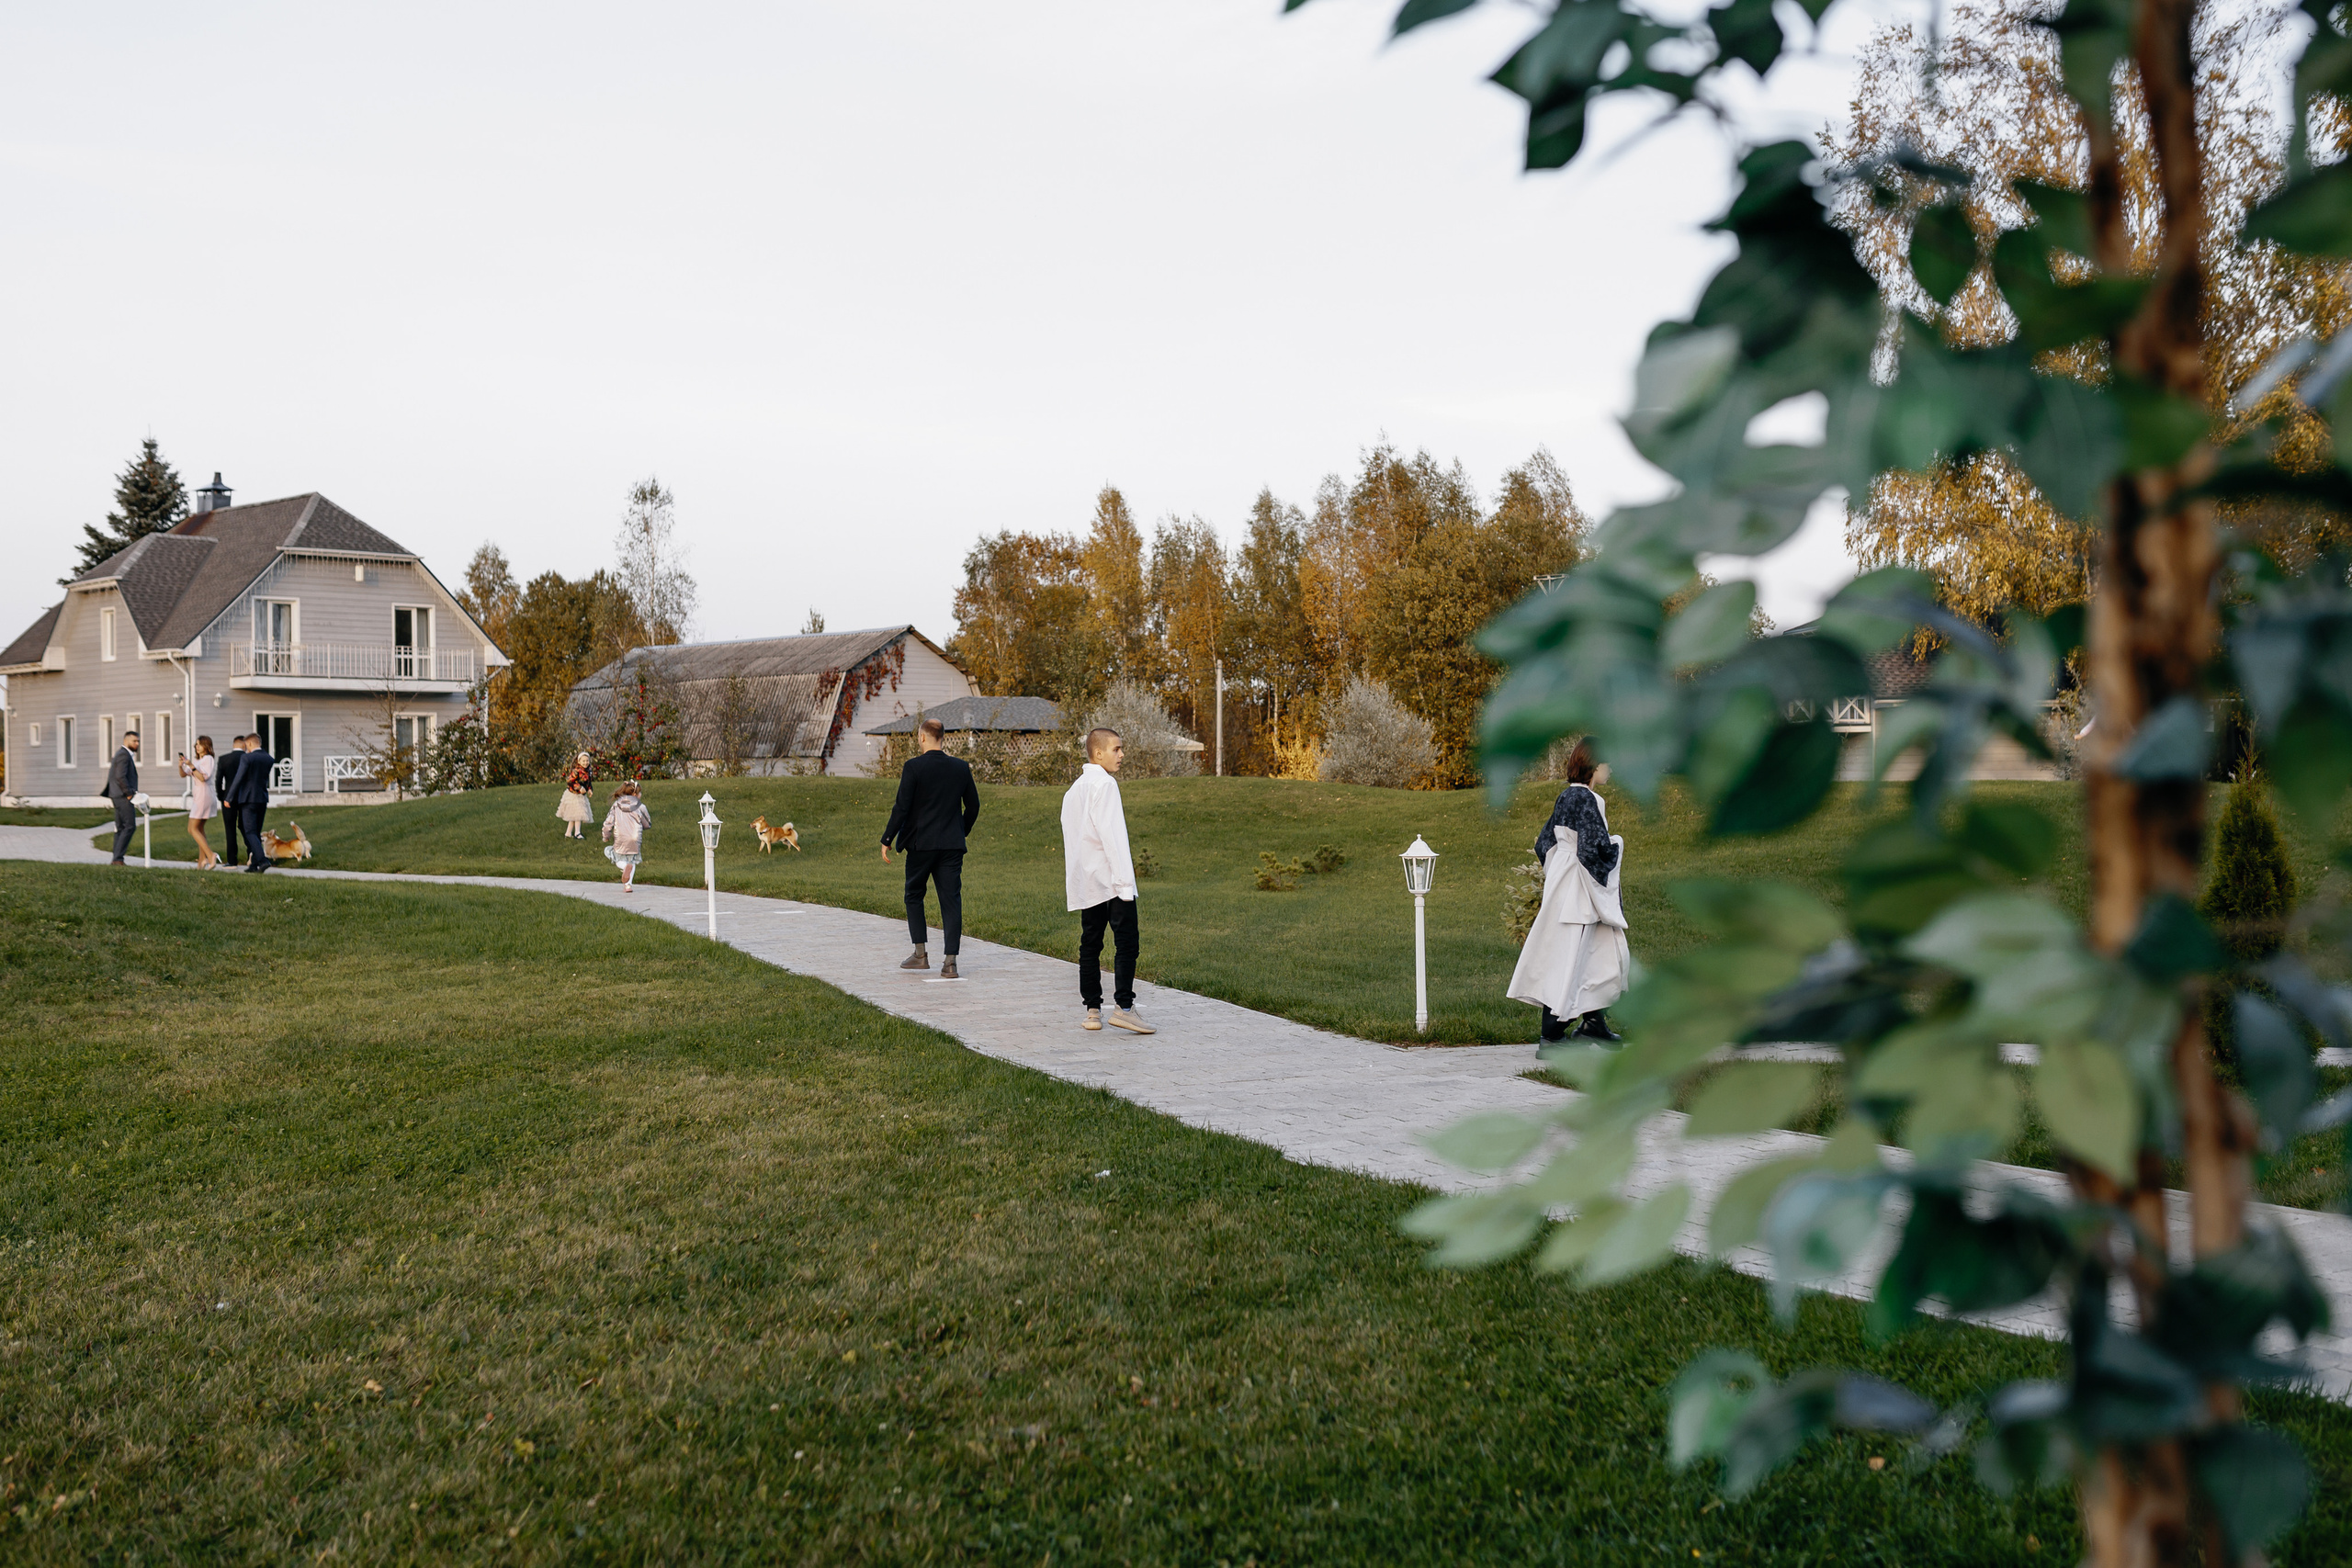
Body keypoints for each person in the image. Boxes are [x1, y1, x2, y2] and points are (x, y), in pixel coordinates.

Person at [1509, 739, 1628, 1043]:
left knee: (1587, 953)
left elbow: (1543, 843)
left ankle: (1594, 1025)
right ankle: (1552, 1034)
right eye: (1607, 763)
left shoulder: (1565, 797)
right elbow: (1593, 850)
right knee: (1576, 956)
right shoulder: (1589, 800)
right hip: (1580, 891)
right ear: (1594, 765)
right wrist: (1617, 844)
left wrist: (1558, 871)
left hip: (1565, 885)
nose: (1610, 769)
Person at [1061, 727, 1153, 1034]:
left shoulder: (1074, 790)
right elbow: (1113, 838)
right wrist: (1126, 884)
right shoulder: (1106, 785)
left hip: (1089, 882)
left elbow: (1073, 841)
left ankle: (1092, 1011)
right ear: (1097, 752)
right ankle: (1124, 1008)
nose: (1122, 754)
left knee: (1090, 944)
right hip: (1113, 881)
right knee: (1127, 943)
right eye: (1117, 749)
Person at [880, 717, 981, 978]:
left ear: (922, 737)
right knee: (951, 900)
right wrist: (961, 830)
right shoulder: (960, 767)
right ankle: (950, 963)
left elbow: (901, 806)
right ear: (942, 737)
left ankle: (920, 954)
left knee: (914, 895)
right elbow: (974, 806)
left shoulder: (913, 767)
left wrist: (887, 839)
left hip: (920, 844)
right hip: (951, 845)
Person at [231, 730, 277, 874]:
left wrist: (229, 797)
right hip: (262, 798)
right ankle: (254, 865)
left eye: (247, 745)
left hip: (248, 799)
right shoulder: (269, 758)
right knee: (256, 832)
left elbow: (239, 778)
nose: (246, 748)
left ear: (250, 743)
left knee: (249, 831)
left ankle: (263, 860)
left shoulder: (247, 758)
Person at [177, 736, 220, 869]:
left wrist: (191, 766)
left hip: (204, 794)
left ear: (207, 746)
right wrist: (181, 766)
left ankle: (210, 855)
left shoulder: (208, 759)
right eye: (196, 744)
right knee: (199, 829)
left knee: (192, 828)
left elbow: (202, 777)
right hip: (199, 795)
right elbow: (183, 774)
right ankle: (202, 860)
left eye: (200, 744)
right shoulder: (198, 760)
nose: (197, 747)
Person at [101, 728, 141, 865]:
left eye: (138, 741)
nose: (137, 744)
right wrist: (129, 793)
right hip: (122, 795)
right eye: (134, 741)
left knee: (121, 827)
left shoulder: (121, 754)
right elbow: (120, 776)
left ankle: (117, 859)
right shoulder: (124, 755)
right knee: (129, 826)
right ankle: (118, 858)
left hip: (117, 794)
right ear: (126, 741)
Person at [602, 779, 650, 893]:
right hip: (635, 838)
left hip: (620, 838)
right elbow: (647, 823)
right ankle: (628, 885)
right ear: (635, 794)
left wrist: (606, 835)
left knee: (613, 854)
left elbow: (608, 822)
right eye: (639, 793)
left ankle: (624, 867)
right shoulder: (641, 806)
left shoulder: (616, 805)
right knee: (632, 862)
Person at [215, 736, 250, 868]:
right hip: (245, 797)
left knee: (229, 829)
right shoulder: (247, 758)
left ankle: (232, 860)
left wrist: (221, 796)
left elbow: (218, 780)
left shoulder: (224, 759)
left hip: (228, 798)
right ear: (243, 745)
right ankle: (251, 854)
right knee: (246, 827)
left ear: (233, 744)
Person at [558, 751, 596, 840]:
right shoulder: (576, 771)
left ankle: (568, 833)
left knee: (574, 815)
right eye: (583, 761)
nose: (586, 763)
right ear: (579, 762)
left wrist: (589, 789)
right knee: (578, 814)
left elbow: (588, 782)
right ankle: (577, 833)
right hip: (573, 795)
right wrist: (579, 787)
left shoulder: (589, 770)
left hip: (581, 796)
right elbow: (570, 781)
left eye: (587, 761)